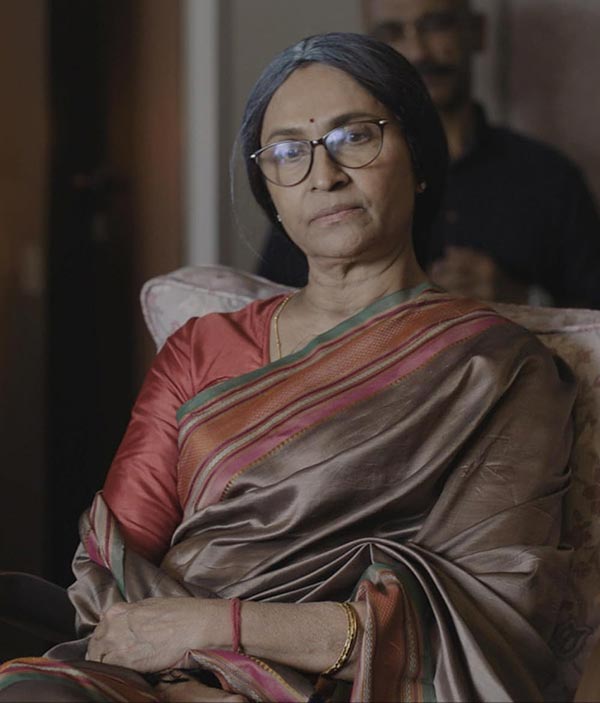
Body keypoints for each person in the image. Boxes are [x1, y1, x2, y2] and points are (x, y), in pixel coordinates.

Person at [0, 32, 578, 702]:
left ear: (419, 158)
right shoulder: (201, 348)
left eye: (354, 137)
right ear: (270, 191)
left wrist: (218, 628)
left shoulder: (500, 368)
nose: (323, 175)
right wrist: (183, 675)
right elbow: (114, 563)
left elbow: (489, 619)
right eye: (287, 151)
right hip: (148, 669)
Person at [258, 0, 600, 309]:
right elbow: (274, 301)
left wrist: (523, 299)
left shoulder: (550, 178)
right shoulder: (325, 187)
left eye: (437, 25)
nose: (418, 51)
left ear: (477, 31)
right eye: (392, 33)